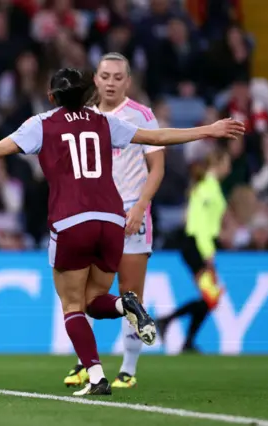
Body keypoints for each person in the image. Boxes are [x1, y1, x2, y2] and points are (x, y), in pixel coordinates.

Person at [0, 67, 244, 396]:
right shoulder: (104, 121)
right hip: (113, 220)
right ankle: (125, 306)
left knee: (72, 305)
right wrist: (209, 129)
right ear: (88, 94)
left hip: (72, 221)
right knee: (95, 300)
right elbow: (156, 138)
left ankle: (97, 376)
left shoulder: (41, 124)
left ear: (51, 96)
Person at [64, 52, 165, 389]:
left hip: (131, 214)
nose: (110, 82)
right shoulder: (86, 116)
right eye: (105, 76)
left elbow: (158, 168)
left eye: (117, 77)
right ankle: (84, 363)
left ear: (128, 81)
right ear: (95, 78)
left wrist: (140, 207)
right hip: (93, 215)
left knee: (129, 291)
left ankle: (129, 369)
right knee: (82, 291)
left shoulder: (141, 116)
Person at [156, 149, 231, 353]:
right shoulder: (208, 188)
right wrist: (208, 253)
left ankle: (184, 338)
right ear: (220, 164)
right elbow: (200, 225)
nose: (229, 167)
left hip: (194, 245)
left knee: (209, 297)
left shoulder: (206, 186)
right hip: (196, 246)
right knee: (210, 296)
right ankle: (169, 323)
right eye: (227, 163)